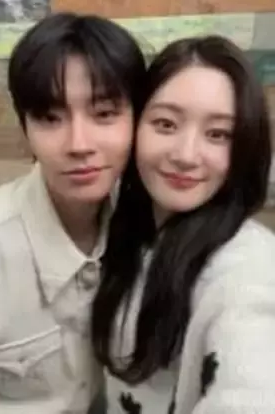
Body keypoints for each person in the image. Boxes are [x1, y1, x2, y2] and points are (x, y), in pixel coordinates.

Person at [0, 12, 146, 413]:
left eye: (104, 113)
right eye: (50, 118)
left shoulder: (148, 227)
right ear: (24, 127)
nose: (79, 144)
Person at [91, 36, 275, 413]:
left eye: (218, 134)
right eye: (166, 124)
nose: (186, 155)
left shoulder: (248, 269)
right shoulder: (121, 224)